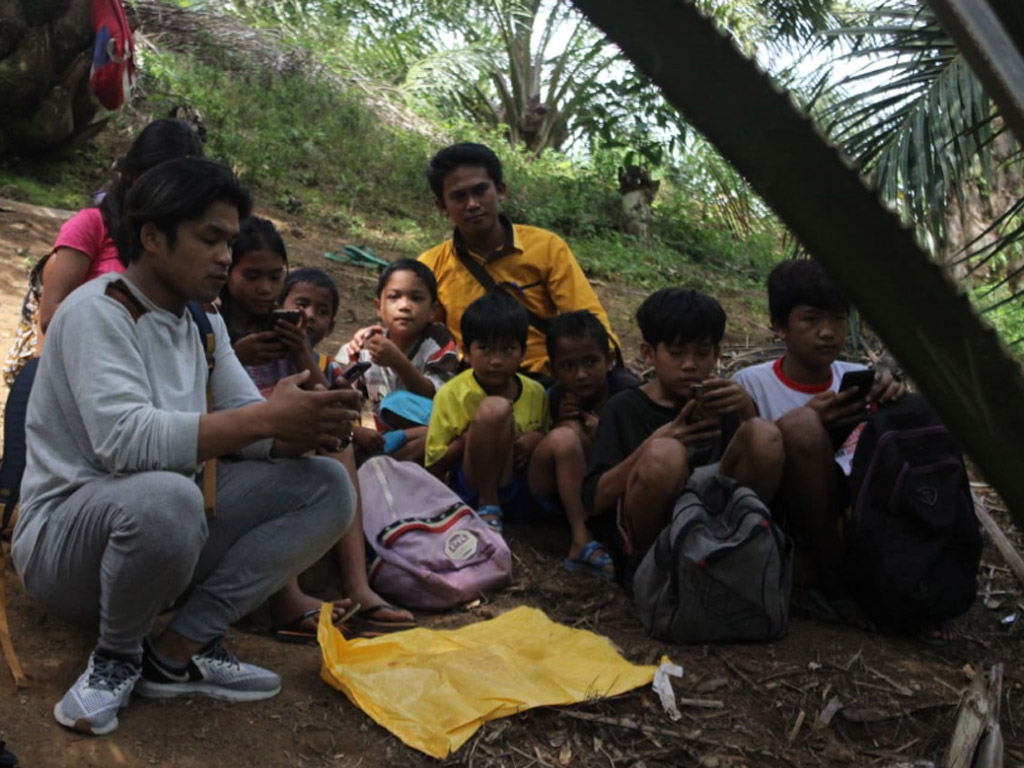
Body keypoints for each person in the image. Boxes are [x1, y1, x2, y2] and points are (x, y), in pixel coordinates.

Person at [11, 157, 358, 736]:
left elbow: (245, 421)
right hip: (64, 546)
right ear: (152, 236)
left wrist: (300, 426)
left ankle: (175, 652)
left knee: (328, 487)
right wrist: (263, 422)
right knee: (169, 496)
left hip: (162, 529)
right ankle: (116, 656)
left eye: (230, 240)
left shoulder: (202, 321)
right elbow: (125, 441)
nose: (225, 256)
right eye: (210, 238)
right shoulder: (99, 311)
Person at [222, 226, 417, 639]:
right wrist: (236, 354)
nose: (263, 287)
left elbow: (321, 396)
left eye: (274, 277)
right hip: (235, 438)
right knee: (310, 439)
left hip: (279, 431)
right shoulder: (213, 324)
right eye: (252, 276)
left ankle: (358, 586)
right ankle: (285, 596)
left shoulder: (281, 329)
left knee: (336, 438)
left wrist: (297, 352)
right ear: (227, 271)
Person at [348, 142, 617, 375]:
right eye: (459, 196)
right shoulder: (431, 265)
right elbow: (418, 325)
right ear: (442, 206)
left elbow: (588, 317)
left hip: (544, 378)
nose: (472, 204)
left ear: (500, 190)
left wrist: (606, 359)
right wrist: (376, 335)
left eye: (480, 191)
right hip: (468, 382)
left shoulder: (546, 247)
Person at [732, 259, 904, 604]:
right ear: (780, 326)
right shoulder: (751, 383)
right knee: (802, 428)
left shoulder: (855, 376)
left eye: (838, 319)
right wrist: (807, 420)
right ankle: (832, 571)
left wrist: (893, 396)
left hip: (849, 503)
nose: (828, 332)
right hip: (782, 512)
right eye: (811, 320)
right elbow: (745, 461)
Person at [583, 288, 784, 561]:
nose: (689, 365)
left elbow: (757, 458)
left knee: (764, 433)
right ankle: (652, 568)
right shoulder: (624, 408)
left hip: (715, 519)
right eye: (676, 353)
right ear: (649, 354)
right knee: (665, 454)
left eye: (702, 353)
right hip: (653, 540)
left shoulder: (723, 402)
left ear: (716, 354)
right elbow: (595, 500)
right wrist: (653, 444)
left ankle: (738, 551)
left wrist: (746, 410)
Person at [3, 118, 205, 385]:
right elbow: (50, 317)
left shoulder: (184, 242)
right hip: (82, 380)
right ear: (133, 175)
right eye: (163, 184)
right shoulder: (92, 227)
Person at [424, 291, 550, 533]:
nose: (496, 360)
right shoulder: (452, 394)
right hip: (471, 486)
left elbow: (545, 437)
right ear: (467, 353)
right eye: (485, 349)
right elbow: (435, 464)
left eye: (508, 349)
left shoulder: (535, 392)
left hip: (519, 482)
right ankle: (488, 503)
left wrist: (537, 439)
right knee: (496, 409)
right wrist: (473, 436)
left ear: (522, 352)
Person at [528, 310, 639, 579]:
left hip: (606, 489)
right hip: (548, 491)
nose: (581, 375)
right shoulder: (550, 395)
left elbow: (638, 452)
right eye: (568, 366)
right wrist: (557, 423)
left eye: (590, 362)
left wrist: (602, 433)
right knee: (566, 434)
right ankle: (581, 537)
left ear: (610, 360)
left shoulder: (628, 394)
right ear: (552, 370)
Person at [338, 259, 458, 462]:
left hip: (427, 425)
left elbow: (437, 396)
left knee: (397, 403)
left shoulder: (438, 340)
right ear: (379, 307)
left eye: (416, 298)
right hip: (382, 435)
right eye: (394, 297)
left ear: (432, 311)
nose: (404, 306)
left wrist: (397, 361)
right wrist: (362, 431)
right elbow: (357, 402)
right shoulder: (366, 348)